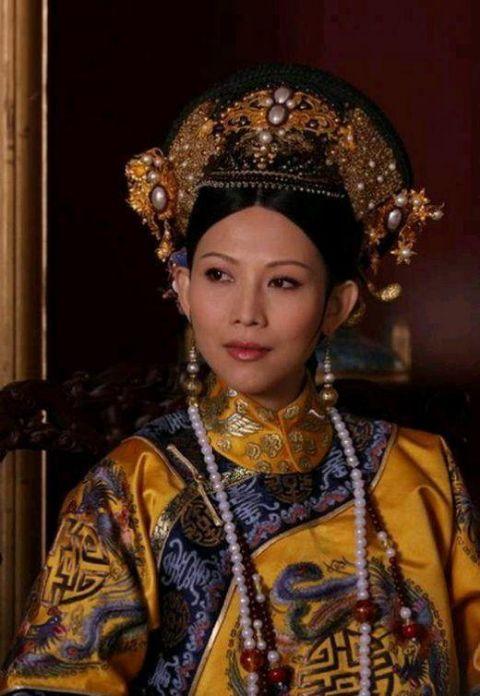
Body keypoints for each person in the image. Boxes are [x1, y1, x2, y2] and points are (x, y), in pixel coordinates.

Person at [1, 63, 479, 696]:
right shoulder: (131, 488)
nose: (245, 312)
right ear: (182, 288)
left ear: (337, 305)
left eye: (283, 282)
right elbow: (50, 683)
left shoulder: (422, 474)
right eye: (219, 275)